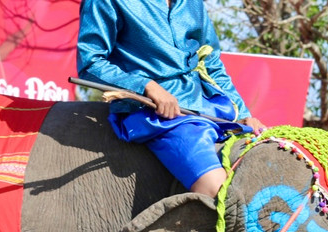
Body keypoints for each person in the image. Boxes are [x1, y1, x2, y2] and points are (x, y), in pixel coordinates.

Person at [77, 0, 266, 199]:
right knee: (220, 193)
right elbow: (90, 62)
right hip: (156, 117)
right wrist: (146, 86)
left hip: (211, 109)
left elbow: (211, 63)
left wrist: (244, 115)